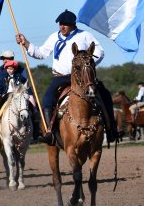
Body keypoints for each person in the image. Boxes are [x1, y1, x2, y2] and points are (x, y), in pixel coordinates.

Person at [16, 9, 117, 145]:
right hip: (60, 77)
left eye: (65, 24)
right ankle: (49, 133)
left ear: (73, 25)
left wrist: (88, 64)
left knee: (104, 95)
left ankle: (111, 130)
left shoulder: (85, 35)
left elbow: (99, 51)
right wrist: (26, 43)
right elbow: (41, 53)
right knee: (47, 100)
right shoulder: (54, 37)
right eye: (60, 24)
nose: (62, 27)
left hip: (82, 77)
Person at [0, 60, 35, 128]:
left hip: (17, 94)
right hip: (6, 95)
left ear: (15, 69)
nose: (10, 70)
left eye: (11, 69)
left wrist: (26, 85)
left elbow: (25, 82)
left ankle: (34, 114)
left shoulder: (19, 76)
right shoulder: (3, 77)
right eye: (8, 69)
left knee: (31, 100)